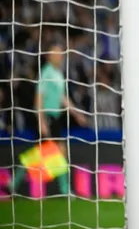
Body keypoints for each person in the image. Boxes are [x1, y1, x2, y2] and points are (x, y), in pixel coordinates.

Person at [8, 44, 87, 195]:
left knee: (46, 153)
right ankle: (65, 190)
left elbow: (62, 98)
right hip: (48, 116)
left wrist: (77, 113)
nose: (60, 56)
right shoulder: (46, 73)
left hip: (55, 118)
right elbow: (39, 98)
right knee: (57, 151)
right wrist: (41, 121)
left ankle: (13, 183)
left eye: (60, 53)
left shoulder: (58, 74)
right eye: (56, 54)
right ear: (50, 57)